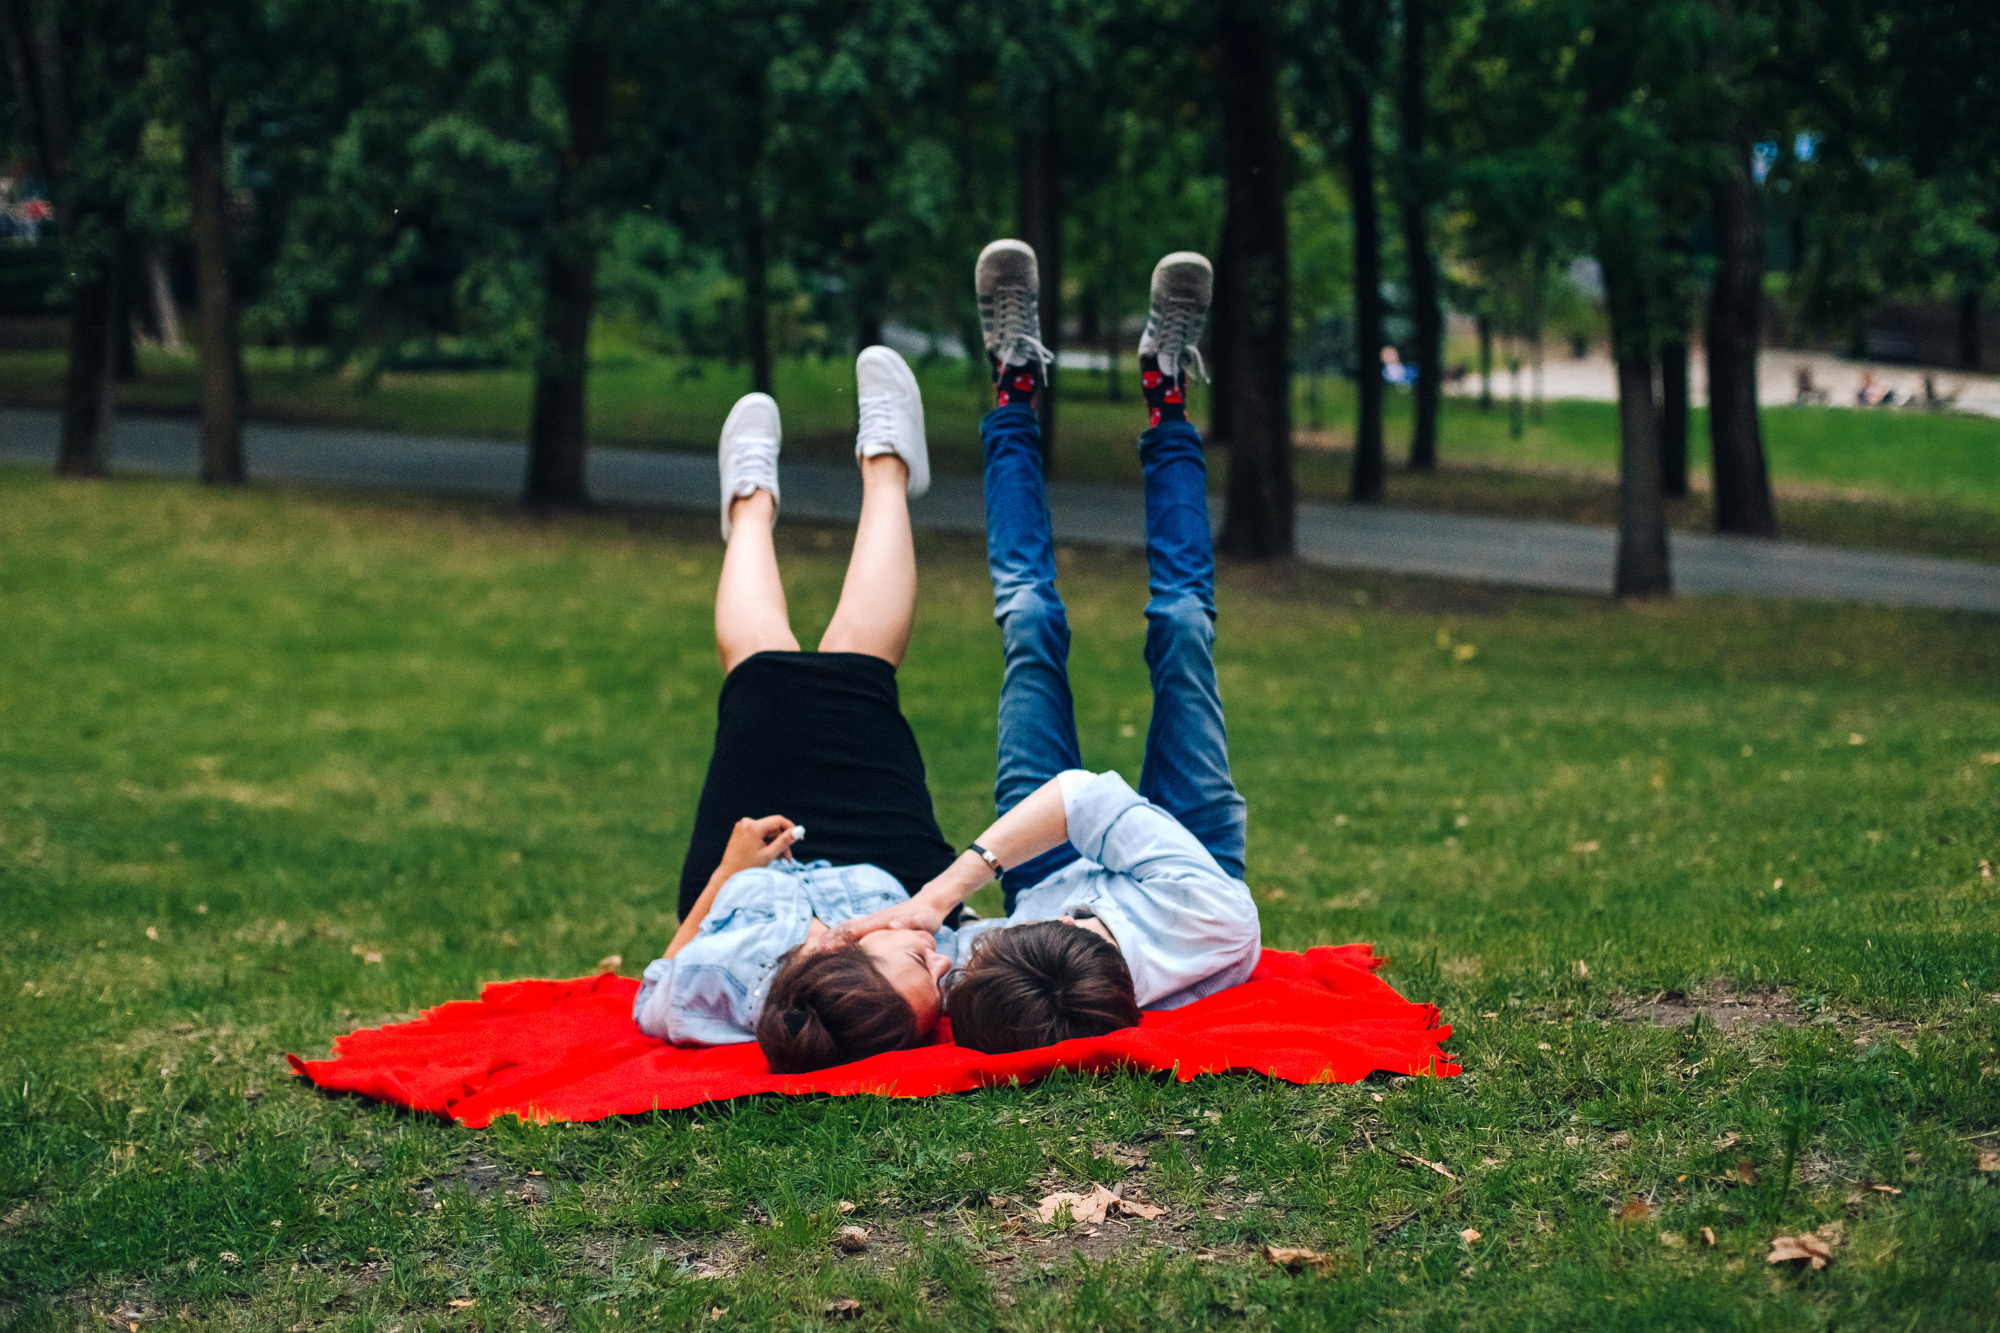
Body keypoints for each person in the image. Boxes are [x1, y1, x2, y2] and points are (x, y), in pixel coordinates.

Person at [839, 240, 1262, 1055]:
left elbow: (904, 977)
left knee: (1030, 619)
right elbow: (1086, 796)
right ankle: (1168, 392)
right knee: (1180, 624)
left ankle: (1012, 380)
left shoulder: (1005, 973)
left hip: (1048, 870)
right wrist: (952, 885)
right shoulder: (1213, 922)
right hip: (1193, 854)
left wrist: (854, 941)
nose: (964, 952)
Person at [631, 344, 959, 1071]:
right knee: (857, 680)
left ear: (843, 957)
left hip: (748, 864)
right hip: (891, 864)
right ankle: (887, 465)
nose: (940, 962)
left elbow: (654, 990)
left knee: (761, 684)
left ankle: (750, 504)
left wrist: (726, 875)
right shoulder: (937, 955)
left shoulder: (729, 984)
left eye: (918, 962)